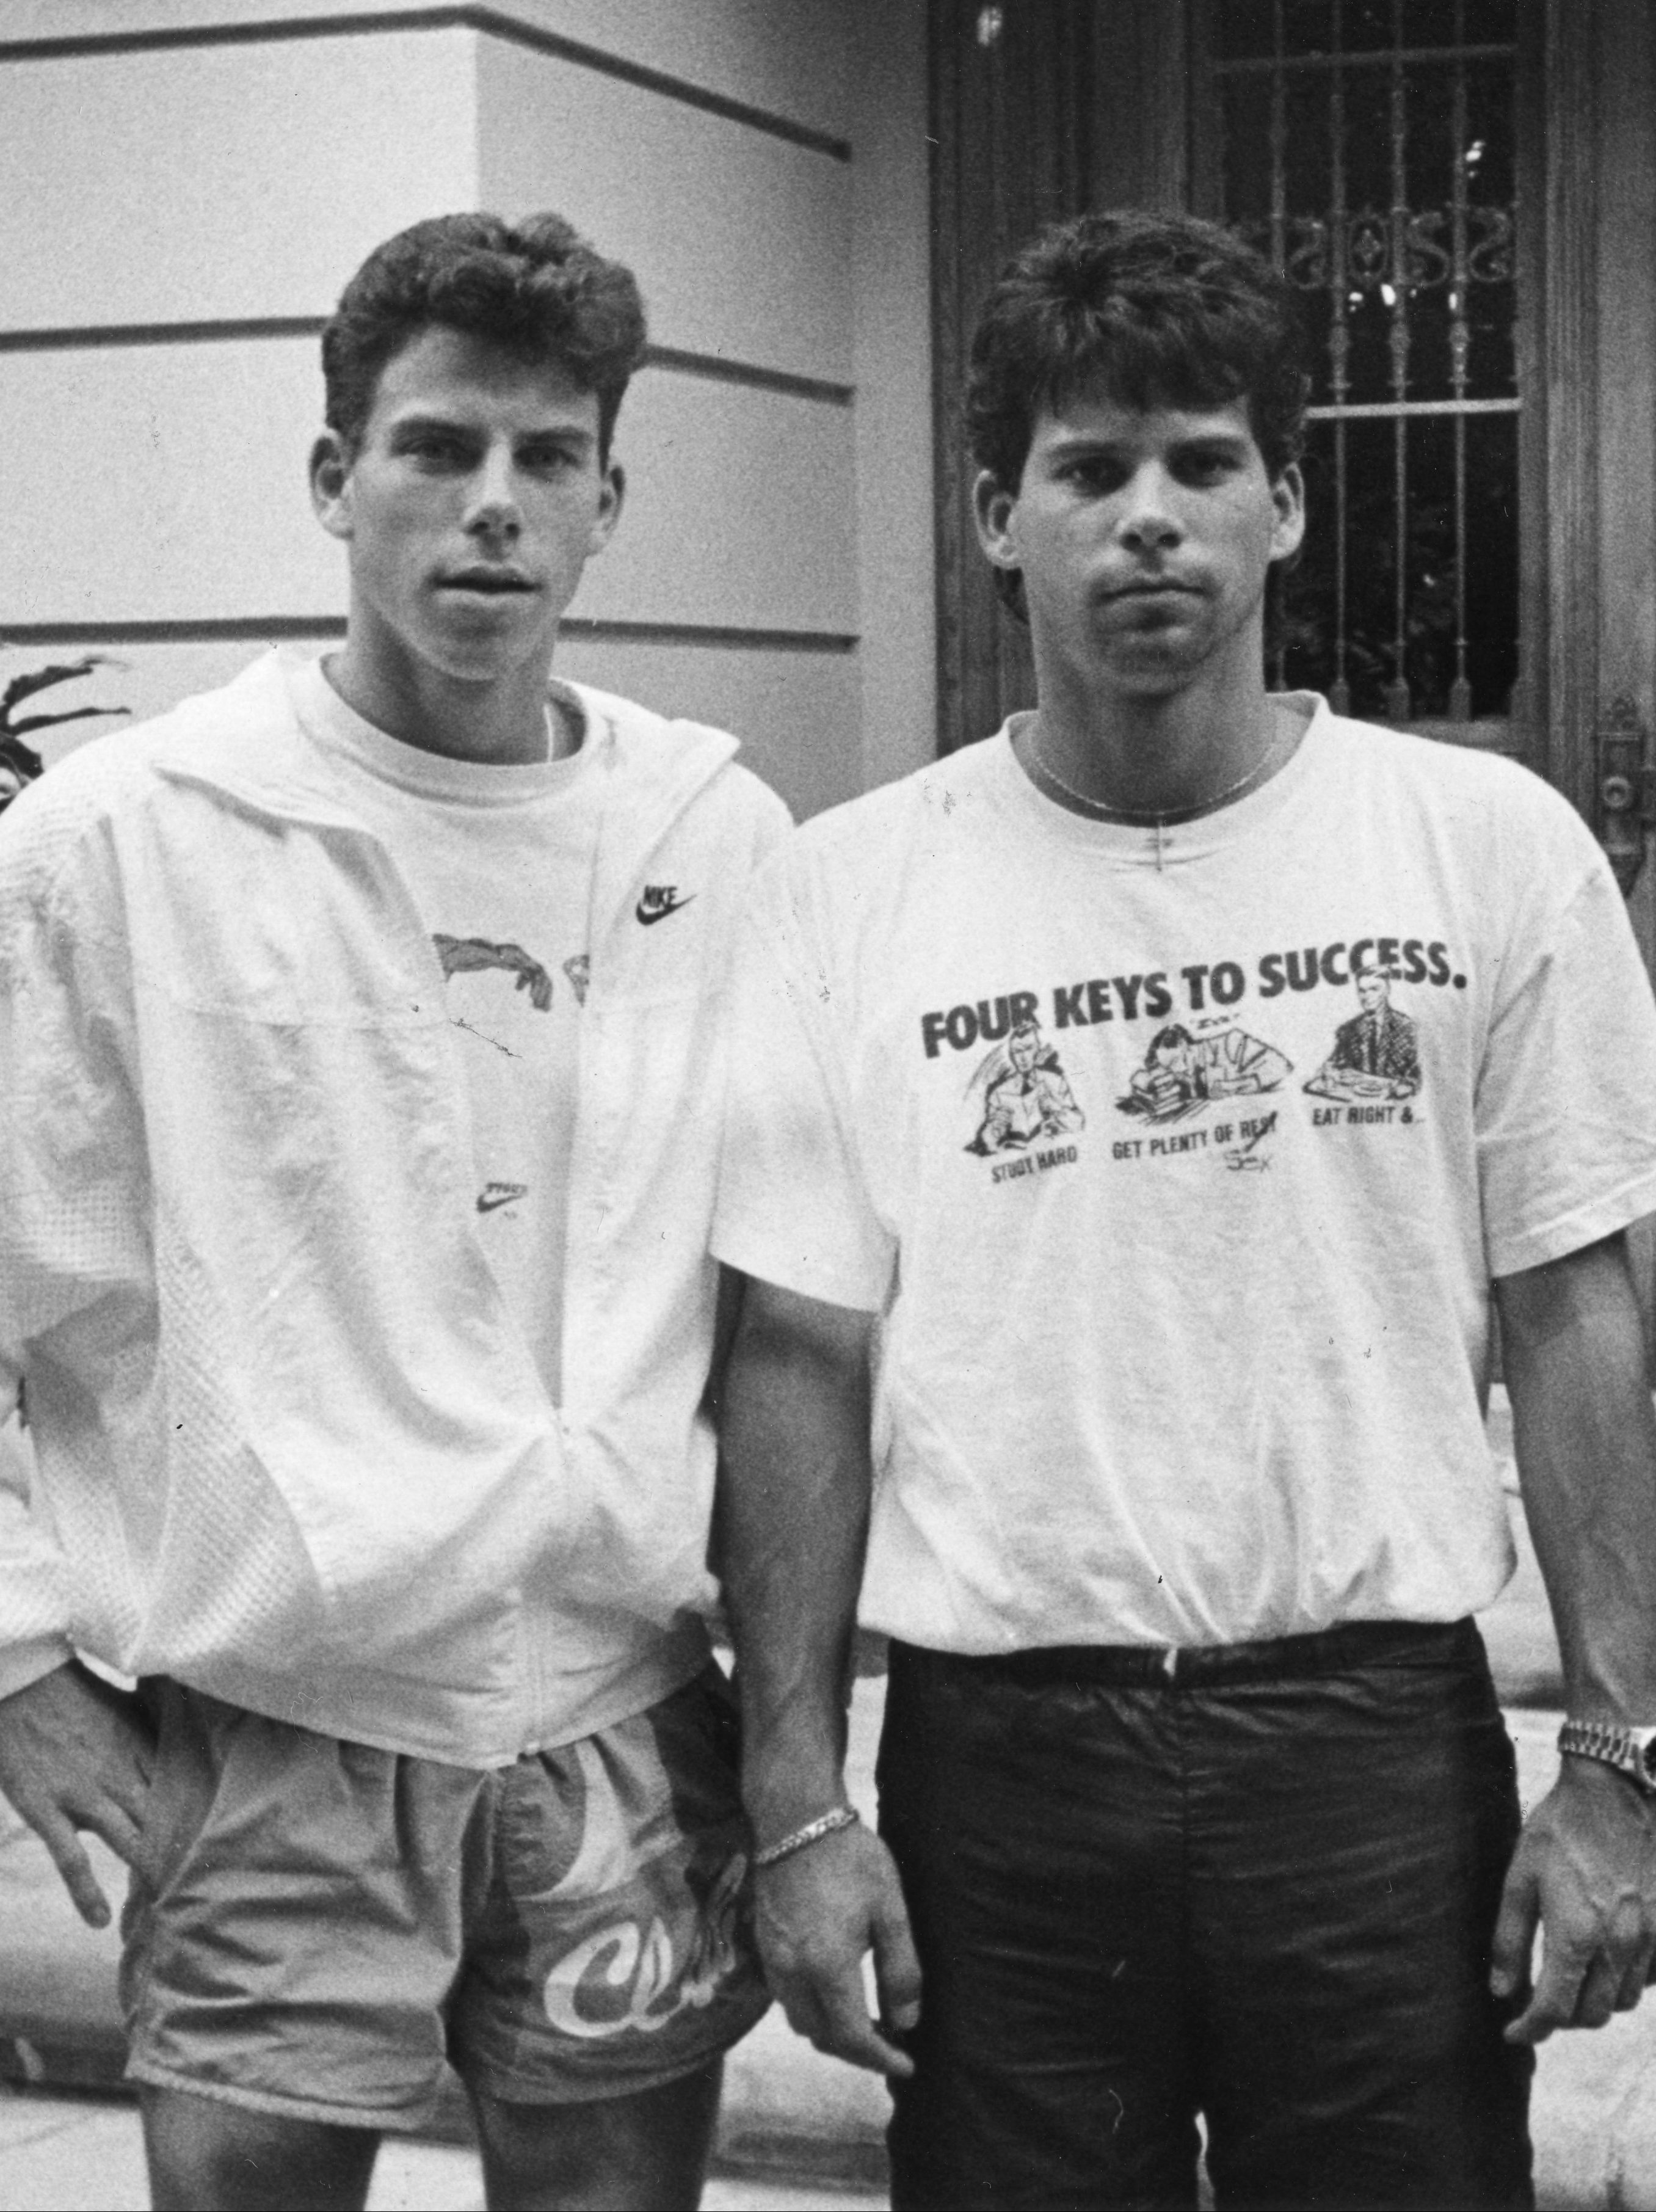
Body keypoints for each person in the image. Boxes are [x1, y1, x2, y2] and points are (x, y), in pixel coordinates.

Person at [709, 209, 1656, 2210]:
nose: (1150, 520)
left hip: (1373, 1752)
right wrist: (795, 1805)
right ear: (996, 515)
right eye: (1090, 469)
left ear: (1289, 503)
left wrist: (1623, 1759)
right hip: (1005, 1765)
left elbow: (1578, 1312)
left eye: (1203, 463)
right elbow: (798, 1357)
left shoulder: (1481, 848)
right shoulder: (845, 891)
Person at [0, 213, 789, 2211]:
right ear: (336, 476)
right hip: (281, 1715)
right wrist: (10, 1653)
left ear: (613, 494)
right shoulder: (133, 837)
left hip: (619, 1703)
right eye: (437, 450)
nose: (491, 511)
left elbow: (794, 1302)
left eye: (547, 460)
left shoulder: (716, 833)